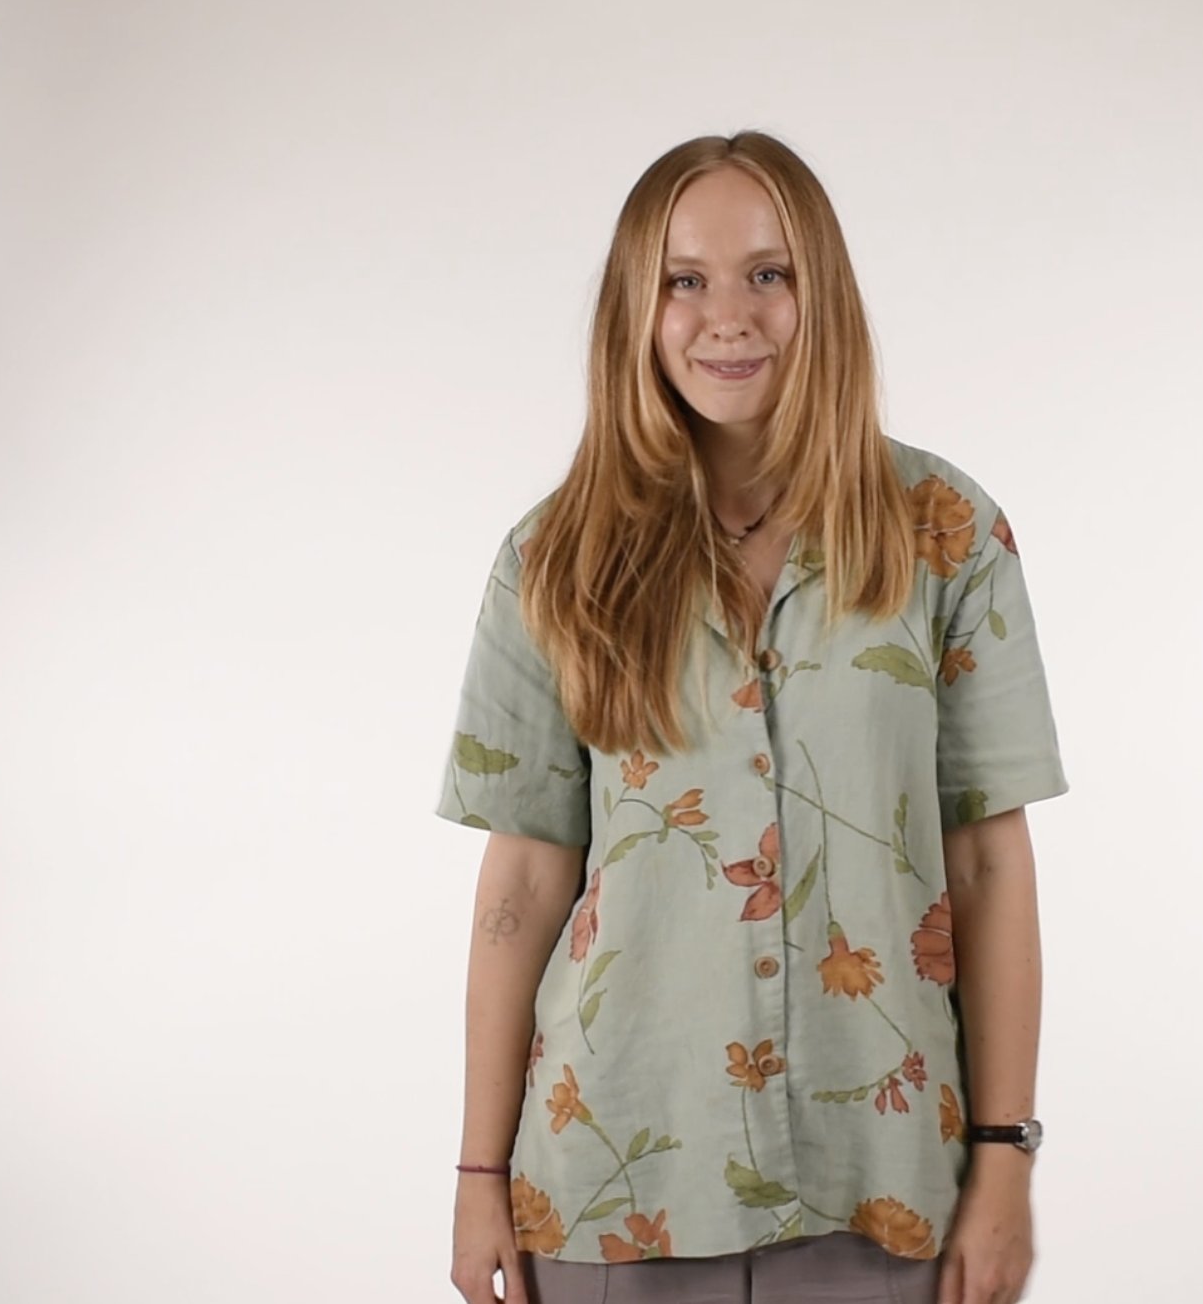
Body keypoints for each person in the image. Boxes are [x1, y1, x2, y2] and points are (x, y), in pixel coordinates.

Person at [439, 130, 1066, 1304]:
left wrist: (1004, 1156)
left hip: (883, 1180)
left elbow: (987, 864)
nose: (726, 317)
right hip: (611, 1183)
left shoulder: (945, 534)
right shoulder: (553, 558)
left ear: (818, 291)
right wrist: (478, 1173)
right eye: (685, 279)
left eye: (766, 274)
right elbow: (521, 879)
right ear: (636, 307)